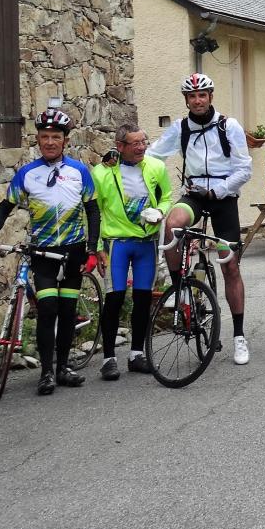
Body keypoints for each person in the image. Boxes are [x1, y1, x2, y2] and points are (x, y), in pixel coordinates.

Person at [0, 109, 100, 396]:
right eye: (44, 137)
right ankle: (46, 372)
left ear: (65, 140)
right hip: (43, 252)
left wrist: (93, 250)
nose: (49, 142)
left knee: (68, 310)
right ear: (37, 139)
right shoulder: (28, 174)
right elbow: (4, 207)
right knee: (48, 310)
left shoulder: (79, 172)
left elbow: (92, 211)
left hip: (72, 251)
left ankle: (63, 368)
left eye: (55, 137)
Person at [147, 73, 254, 364]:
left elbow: (244, 169)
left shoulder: (228, 126)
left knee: (230, 266)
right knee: (172, 225)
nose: (197, 100)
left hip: (222, 197)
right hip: (194, 192)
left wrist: (218, 190)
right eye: (192, 96)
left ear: (210, 96)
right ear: (186, 100)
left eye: (202, 95)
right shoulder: (180, 128)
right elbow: (152, 156)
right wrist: (127, 161)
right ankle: (180, 288)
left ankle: (239, 337)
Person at [91, 124, 173, 380]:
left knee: (142, 299)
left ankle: (136, 354)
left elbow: (167, 196)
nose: (141, 147)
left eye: (143, 142)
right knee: (114, 299)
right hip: (116, 242)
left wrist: (160, 211)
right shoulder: (102, 173)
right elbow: (93, 211)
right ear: (120, 146)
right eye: (135, 143)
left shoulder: (156, 167)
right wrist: (95, 248)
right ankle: (108, 359)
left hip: (145, 242)